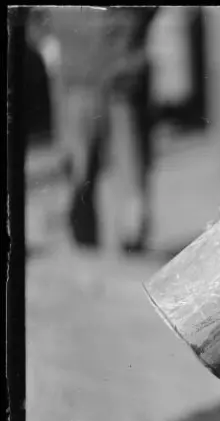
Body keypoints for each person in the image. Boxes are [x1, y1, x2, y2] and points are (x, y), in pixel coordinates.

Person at [46, 6, 157, 251]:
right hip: (78, 78)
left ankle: (133, 239)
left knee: (130, 163)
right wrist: (46, 41)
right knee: (79, 168)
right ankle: (83, 240)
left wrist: (131, 37)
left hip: (122, 80)